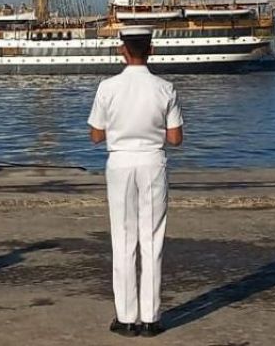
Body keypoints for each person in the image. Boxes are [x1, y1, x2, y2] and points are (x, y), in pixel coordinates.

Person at [88, 26, 184, 337]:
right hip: (152, 162)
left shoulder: (107, 87)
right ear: (151, 49)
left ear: (123, 50)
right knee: (152, 239)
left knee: (123, 238)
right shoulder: (165, 88)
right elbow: (175, 138)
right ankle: (152, 317)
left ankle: (126, 317)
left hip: (120, 163)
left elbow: (95, 135)